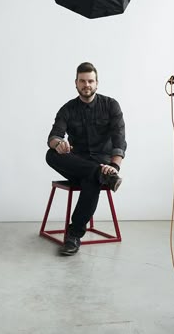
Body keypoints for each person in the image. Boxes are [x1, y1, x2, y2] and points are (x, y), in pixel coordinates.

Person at [46, 62, 127, 256]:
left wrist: (114, 167)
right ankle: (100, 174)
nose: (86, 85)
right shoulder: (67, 109)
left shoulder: (111, 105)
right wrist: (58, 144)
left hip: (104, 164)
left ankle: (73, 236)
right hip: (77, 164)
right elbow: (54, 136)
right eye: (82, 81)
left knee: (92, 180)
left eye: (90, 81)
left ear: (97, 83)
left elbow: (119, 139)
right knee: (51, 154)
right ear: (76, 83)